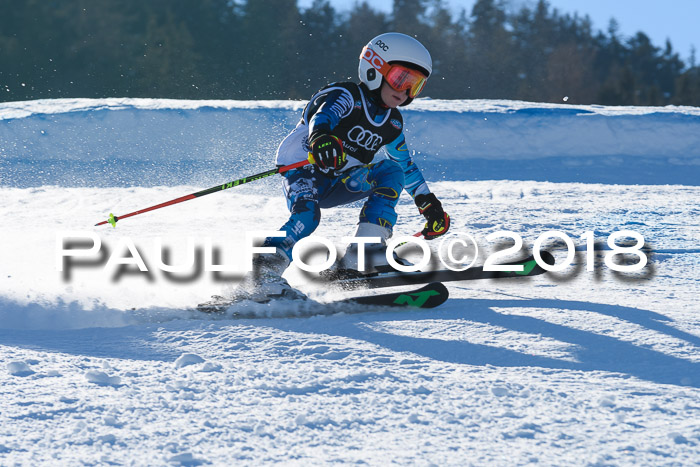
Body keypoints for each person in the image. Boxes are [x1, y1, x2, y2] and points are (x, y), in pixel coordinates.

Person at [247, 32, 450, 300]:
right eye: (401, 79)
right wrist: (321, 138)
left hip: (338, 180)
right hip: (303, 167)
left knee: (392, 171)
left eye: (415, 85)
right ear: (375, 68)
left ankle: (363, 257)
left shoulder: (392, 123)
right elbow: (323, 114)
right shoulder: (346, 95)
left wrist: (428, 203)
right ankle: (264, 275)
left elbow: (406, 165)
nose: (405, 91)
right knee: (308, 216)